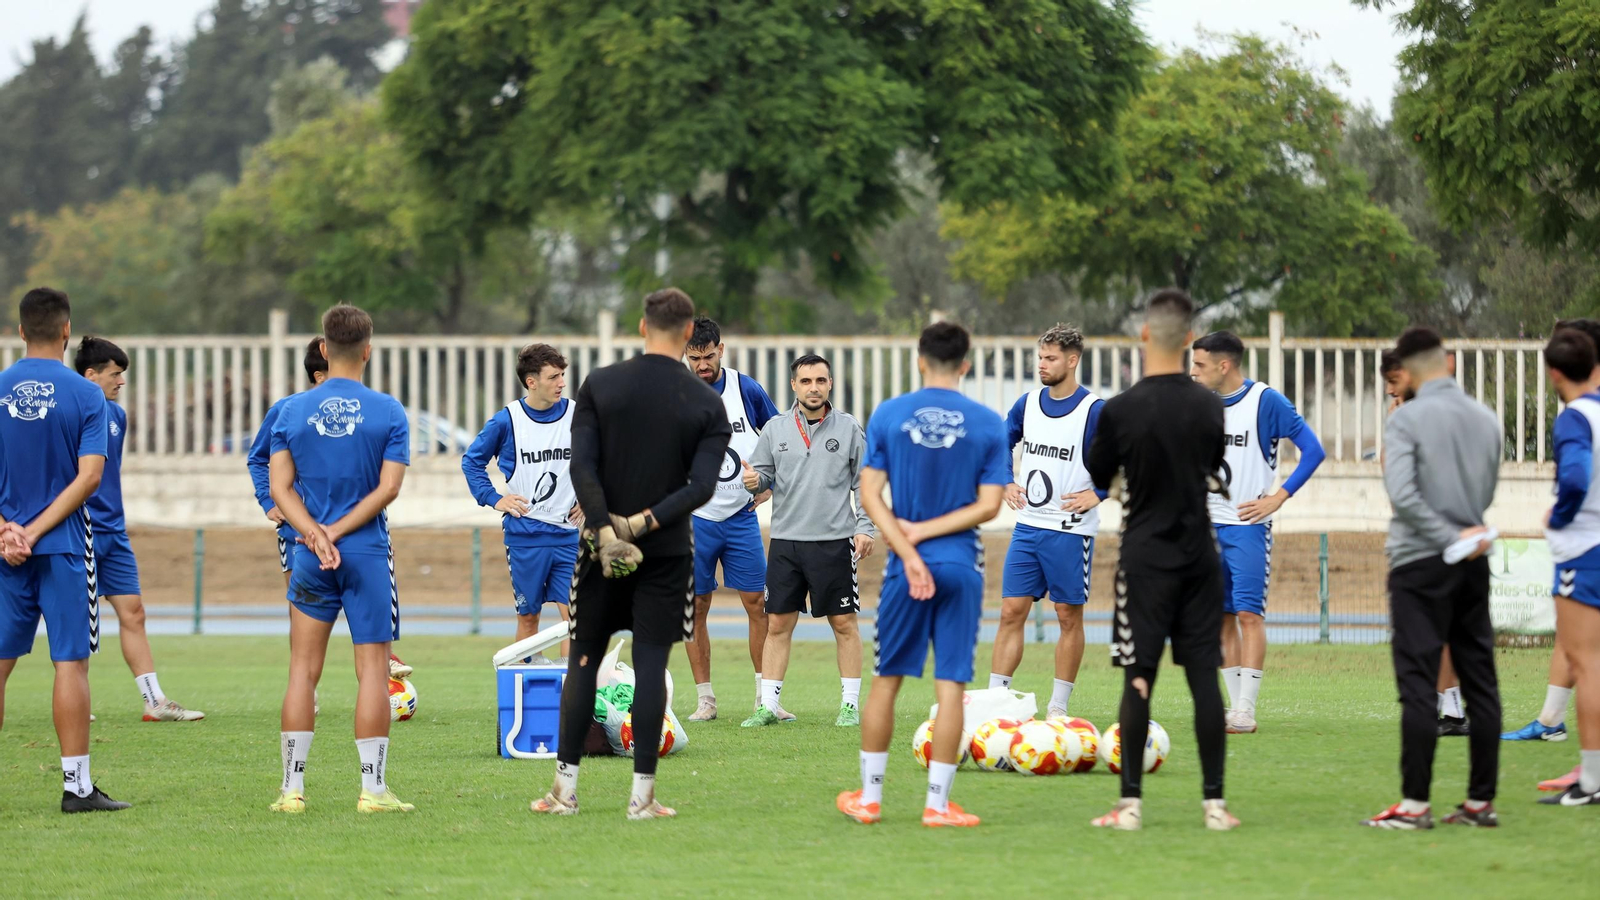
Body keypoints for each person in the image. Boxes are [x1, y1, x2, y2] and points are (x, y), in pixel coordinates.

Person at [530, 287, 730, 820]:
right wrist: (641, 524)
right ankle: (641, 798)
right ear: (689, 334)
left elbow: (582, 467)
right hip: (666, 554)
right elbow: (702, 488)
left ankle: (564, 792)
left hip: (597, 551)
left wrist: (603, 528)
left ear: (643, 327)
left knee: (583, 662)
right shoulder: (707, 403)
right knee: (648, 667)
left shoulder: (602, 384)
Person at [836, 321, 1008, 829]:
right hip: (961, 565)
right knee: (951, 687)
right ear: (967, 364)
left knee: (886, 681)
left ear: (918, 360)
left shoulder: (890, 414)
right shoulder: (988, 422)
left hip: (905, 569)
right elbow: (990, 505)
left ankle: (869, 800)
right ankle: (937, 806)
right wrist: (931, 534)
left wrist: (908, 546)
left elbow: (868, 495)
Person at [1084, 289, 1236, 832]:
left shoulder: (1120, 409)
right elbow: (1211, 461)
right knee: (1203, 678)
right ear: (1189, 338)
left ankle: (1129, 807)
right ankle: (1215, 807)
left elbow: (1100, 476)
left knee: (1138, 680)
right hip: (1200, 556)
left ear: (1144, 335)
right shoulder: (1209, 405)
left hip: (1145, 560)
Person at [268, 304, 413, 815]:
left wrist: (313, 533)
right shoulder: (389, 411)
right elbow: (389, 488)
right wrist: (338, 531)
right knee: (373, 670)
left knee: (302, 671)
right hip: (367, 552)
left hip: (311, 555)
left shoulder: (291, 411)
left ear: (324, 349)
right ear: (368, 351)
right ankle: (372, 791)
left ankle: (291, 790)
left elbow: (278, 487)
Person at [1363, 326, 1503, 829]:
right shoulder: (1485, 417)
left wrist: (1445, 535)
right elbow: (1487, 485)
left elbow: (1401, 494)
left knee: (1419, 683)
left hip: (1420, 561)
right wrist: (1466, 532)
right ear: (1444, 362)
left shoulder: (1406, 419)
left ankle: (1415, 805)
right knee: (1481, 680)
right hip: (1473, 558)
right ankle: (1480, 802)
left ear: (1410, 369)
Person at [0, 287, 129, 812]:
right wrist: (34, 532)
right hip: (65, 547)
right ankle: (77, 787)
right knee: (70, 663)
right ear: (66, 330)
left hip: (4, 550)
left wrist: (9, 529)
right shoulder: (86, 395)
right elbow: (90, 477)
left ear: (21, 329)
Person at [247, 339, 411, 687]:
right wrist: (270, 503)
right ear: (319, 372)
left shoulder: (367, 412)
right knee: (303, 618)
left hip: (357, 533)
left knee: (370, 634)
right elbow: (259, 459)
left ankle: (381, 670)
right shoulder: (288, 410)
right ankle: (313, 687)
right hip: (299, 532)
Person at [1191, 331, 1325, 734]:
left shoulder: (1266, 401)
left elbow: (1313, 450)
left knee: (1249, 614)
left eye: (1199, 365)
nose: (1193, 373)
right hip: (1206, 527)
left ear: (1223, 365)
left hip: (1247, 528)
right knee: (1219, 617)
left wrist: (1278, 497)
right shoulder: (1199, 405)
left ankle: (1246, 709)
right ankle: (1233, 709)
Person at [740, 354, 875, 727]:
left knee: (844, 624)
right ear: (794, 386)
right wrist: (756, 482)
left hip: (833, 541)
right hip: (785, 542)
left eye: (820, 380)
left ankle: (849, 706)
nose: (813, 387)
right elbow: (762, 475)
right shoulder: (775, 428)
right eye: (806, 381)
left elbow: (866, 483)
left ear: (830, 384)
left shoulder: (849, 428)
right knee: (777, 625)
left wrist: (865, 527)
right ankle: (767, 706)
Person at [74, 337, 204, 721]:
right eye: (115, 374)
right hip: (79, 529)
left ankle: (154, 700)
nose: (122, 382)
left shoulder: (117, 416)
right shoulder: (68, 412)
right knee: (77, 617)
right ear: (90, 374)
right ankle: (76, 702)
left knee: (134, 611)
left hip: (114, 531)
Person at [987, 324, 1104, 718]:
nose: (1042, 365)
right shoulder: (1028, 403)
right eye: (1040, 357)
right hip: (1028, 527)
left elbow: (1129, 460)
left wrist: (1099, 493)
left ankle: (1058, 706)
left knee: (1067, 615)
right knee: (1009, 611)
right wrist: (1005, 479)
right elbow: (1001, 439)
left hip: (1069, 532)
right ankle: (997, 700)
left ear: (1072, 361)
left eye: (1050, 358)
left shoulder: (1095, 410)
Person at [682, 316, 781, 721]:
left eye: (708, 357)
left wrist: (769, 485)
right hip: (695, 520)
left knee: (757, 605)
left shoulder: (747, 389)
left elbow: (780, 438)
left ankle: (764, 697)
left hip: (741, 516)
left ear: (721, 350)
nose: (702, 366)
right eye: (694, 358)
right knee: (696, 607)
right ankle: (705, 699)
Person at [462, 343, 583, 658]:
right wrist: (494, 498)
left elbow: (602, 458)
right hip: (525, 536)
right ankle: (529, 693)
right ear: (532, 382)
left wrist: (589, 497)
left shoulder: (576, 414)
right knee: (529, 617)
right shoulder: (507, 421)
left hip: (568, 534)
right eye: (554, 377)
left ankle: (568, 697)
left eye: (562, 375)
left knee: (575, 618)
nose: (561, 383)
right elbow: (471, 462)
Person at [1381, 350, 1471, 738]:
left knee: (1427, 631)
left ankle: (1442, 710)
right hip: (1457, 533)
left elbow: (1395, 480)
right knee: (1447, 631)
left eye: (1394, 386)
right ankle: (1451, 709)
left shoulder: (1409, 422)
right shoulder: (1454, 414)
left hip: (1426, 541)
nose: (1391, 394)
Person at [1536, 327, 1600, 807]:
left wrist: (1557, 517)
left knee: (1586, 663)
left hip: (1584, 550)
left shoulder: (1575, 418)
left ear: (1554, 373)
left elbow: (1575, 478)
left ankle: (1592, 782)